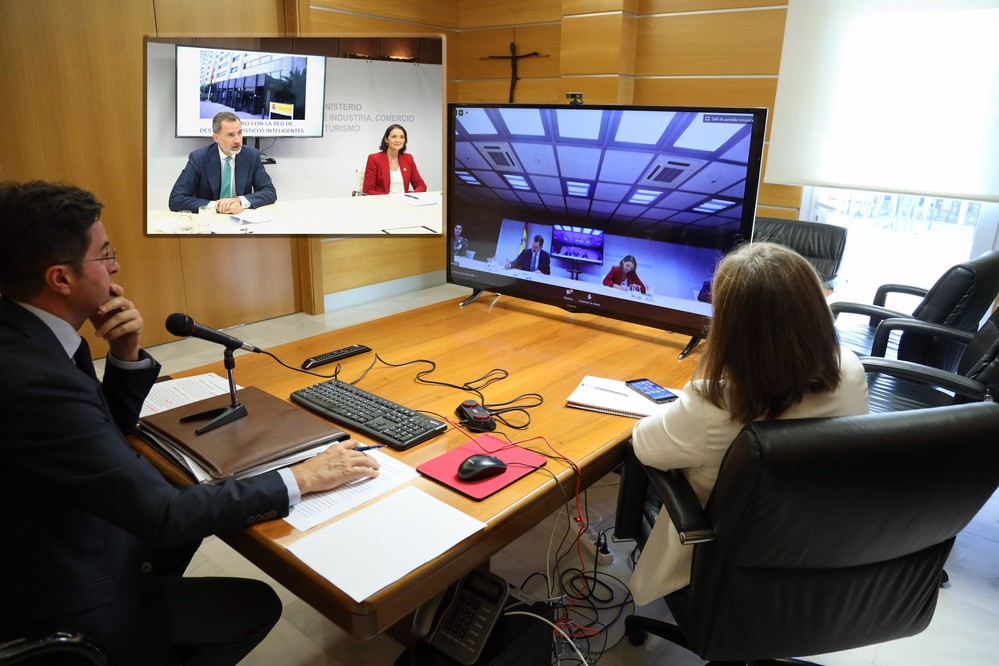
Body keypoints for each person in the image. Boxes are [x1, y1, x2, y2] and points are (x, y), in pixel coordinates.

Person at [0, 180, 380, 665]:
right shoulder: (34, 380)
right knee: (253, 601)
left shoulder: (29, 332)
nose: (115, 266)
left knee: (191, 488)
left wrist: (125, 355)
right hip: (61, 596)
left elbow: (99, 429)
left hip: (55, 528)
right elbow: (163, 514)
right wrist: (301, 477)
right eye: (105, 254)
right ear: (61, 279)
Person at [627, 242, 869, 606]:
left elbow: (644, 446)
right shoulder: (850, 369)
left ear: (731, 326)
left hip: (725, 567)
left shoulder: (715, 402)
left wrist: (703, 379)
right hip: (822, 556)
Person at [169, 111, 277, 214]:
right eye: (230, 135)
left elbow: (269, 192)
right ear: (216, 138)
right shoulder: (199, 158)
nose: (237, 140)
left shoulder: (251, 155)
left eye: (239, 133)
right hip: (211, 219)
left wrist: (239, 200)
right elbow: (176, 199)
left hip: (240, 217)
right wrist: (216, 205)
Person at [362, 123, 427, 195]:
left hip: (404, 200)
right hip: (383, 201)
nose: (398, 140)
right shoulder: (374, 158)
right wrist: (389, 199)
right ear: (386, 139)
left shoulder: (408, 158)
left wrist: (412, 196)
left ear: (405, 140)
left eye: (402, 137)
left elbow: (421, 185)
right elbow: (367, 190)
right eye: (394, 136)